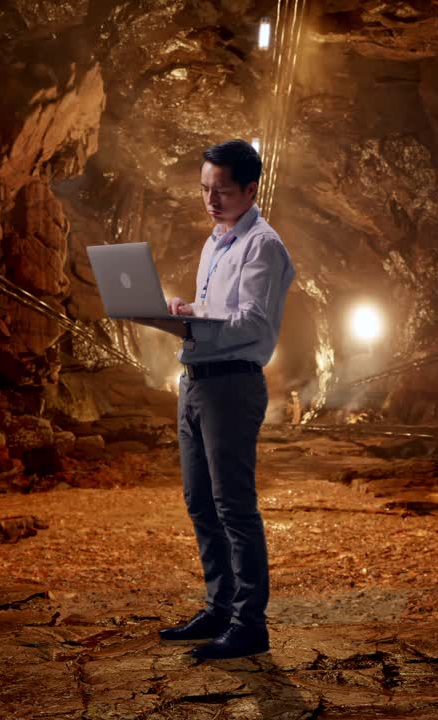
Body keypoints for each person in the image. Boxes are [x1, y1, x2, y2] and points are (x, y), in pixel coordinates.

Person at [156, 139, 295, 660]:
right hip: (195, 381)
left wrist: (190, 324)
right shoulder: (216, 242)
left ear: (251, 189)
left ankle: (248, 622)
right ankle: (219, 606)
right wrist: (185, 308)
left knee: (233, 505)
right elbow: (219, 311)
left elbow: (253, 323)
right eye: (205, 190)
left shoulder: (263, 245)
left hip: (232, 384)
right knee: (199, 502)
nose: (211, 201)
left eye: (223, 191)